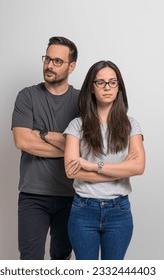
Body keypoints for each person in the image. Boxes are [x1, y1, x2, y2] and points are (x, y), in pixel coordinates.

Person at [63, 60, 146, 260]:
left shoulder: (130, 125)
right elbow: (71, 171)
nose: (107, 87)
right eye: (100, 82)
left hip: (119, 211)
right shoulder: (76, 126)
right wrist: (120, 169)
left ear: (119, 87)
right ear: (91, 87)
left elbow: (138, 167)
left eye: (112, 82)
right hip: (83, 210)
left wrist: (92, 165)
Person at [11, 36, 79, 260]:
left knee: (61, 260)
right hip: (33, 195)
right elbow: (22, 141)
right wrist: (67, 146)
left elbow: (85, 148)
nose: (49, 65)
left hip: (71, 195)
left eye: (57, 61)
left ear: (72, 66)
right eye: (47, 59)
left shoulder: (82, 101)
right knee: (30, 263)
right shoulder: (27, 96)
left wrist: (39, 133)